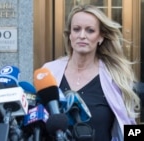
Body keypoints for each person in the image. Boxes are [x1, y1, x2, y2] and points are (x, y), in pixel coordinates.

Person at [41, 4, 140, 141]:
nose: (82, 36)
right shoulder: (49, 71)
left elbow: (130, 129)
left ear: (100, 37)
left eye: (90, 30)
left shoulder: (115, 77)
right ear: (70, 35)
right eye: (76, 29)